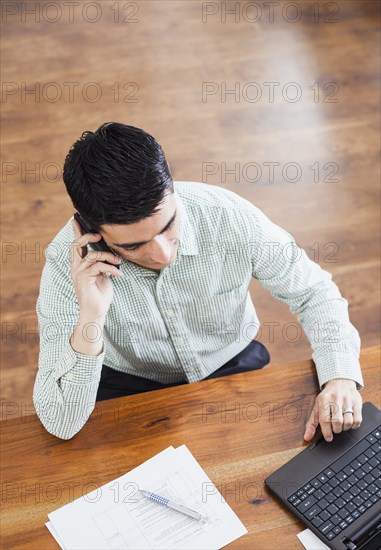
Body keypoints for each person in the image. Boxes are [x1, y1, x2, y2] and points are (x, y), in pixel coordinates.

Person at [33, 122, 363, 440]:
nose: (162, 254)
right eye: (133, 245)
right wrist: (91, 315)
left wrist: (340, 375)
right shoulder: (68, 263)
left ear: (172, 191)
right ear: (91, 233)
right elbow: (61, 423)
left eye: (168, 225)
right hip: (130, 381)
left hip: (228, 361)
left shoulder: (227, 216)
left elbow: (313, 291)